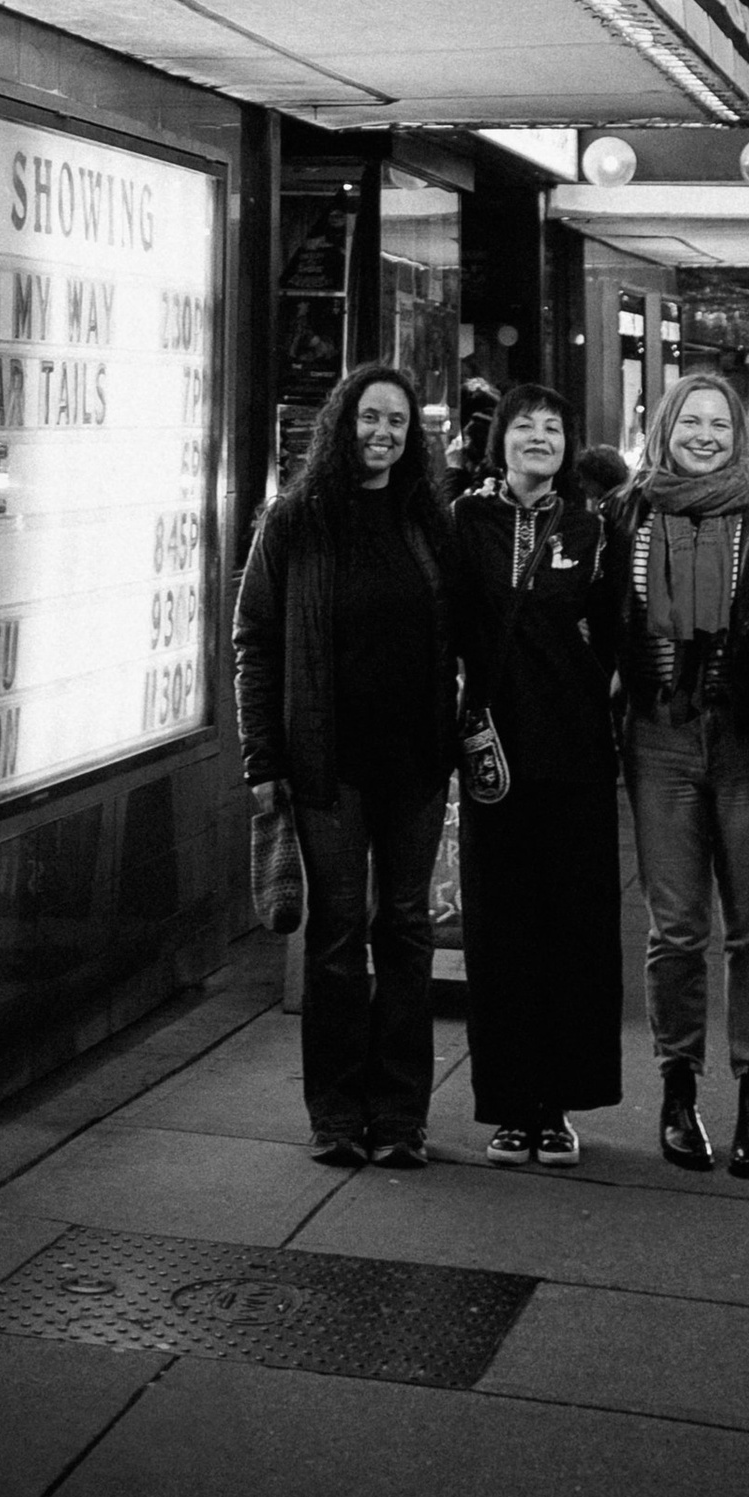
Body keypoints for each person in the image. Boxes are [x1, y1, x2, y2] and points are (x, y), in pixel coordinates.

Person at [233, 362, 458, 1167]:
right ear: (343, 424)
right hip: (328, 765)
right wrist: (263, 757)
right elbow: (254, 640)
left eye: (397, 422)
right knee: (336, 937)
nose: (383, 434)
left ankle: (401, 1120)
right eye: (369, 418)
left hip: (416, 765)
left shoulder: (428, 519)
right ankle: (335, 1116)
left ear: (412, 434)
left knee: (404, 932)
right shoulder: (296, 521)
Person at [602, 368, 749, 1181]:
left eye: (719, 427)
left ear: (738, 439)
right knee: (677, 930)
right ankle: (678, 1091)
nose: (703, 437)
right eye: (691, 423)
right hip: (659, 739)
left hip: (748, 746)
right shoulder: (625, 517)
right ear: (664, 427)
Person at [446, 382, 624, 1169]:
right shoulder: (466, 523)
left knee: (572, 932)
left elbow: (617, 630)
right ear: (502, 442)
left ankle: (557, 1109)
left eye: (553, 427)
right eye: (526, 427)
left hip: (575, 757)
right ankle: (509, 1108)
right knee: (499, 932)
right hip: (496, 760)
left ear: (566, 445)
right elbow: (448, 624)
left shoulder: (595, 528)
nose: (539, 439)